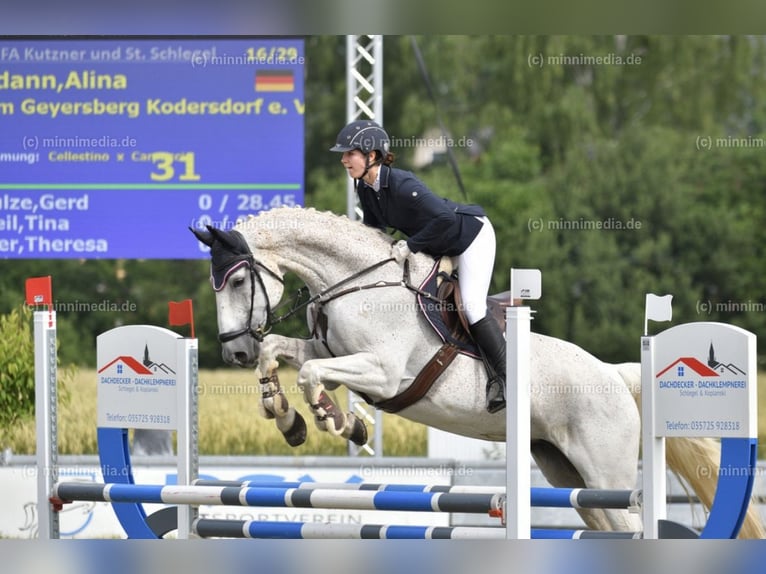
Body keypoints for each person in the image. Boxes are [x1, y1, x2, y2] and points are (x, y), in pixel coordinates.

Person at [330, 119, 507, 413]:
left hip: (470, 237)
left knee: (472, 306)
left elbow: (446, 220)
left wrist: (409, 246)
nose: (343, 159)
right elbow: (374, 235)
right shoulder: (364, 189)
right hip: (439, 246)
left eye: (350, 153)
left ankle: (505, 377)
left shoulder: (402, 184)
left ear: (371, 156)